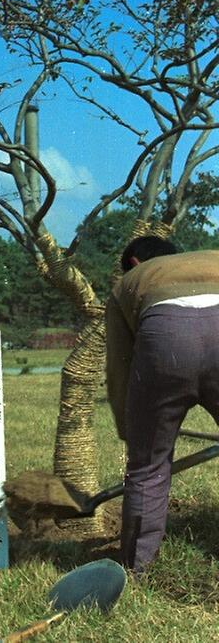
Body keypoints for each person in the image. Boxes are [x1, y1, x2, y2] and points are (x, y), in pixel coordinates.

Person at [105, 235, 219, 574]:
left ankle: (137, 568)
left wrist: (133, 432)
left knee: (148, 468)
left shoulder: (129, 281)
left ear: (135, 263)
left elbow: (120, 364)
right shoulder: (212, 256)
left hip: (164, 342)